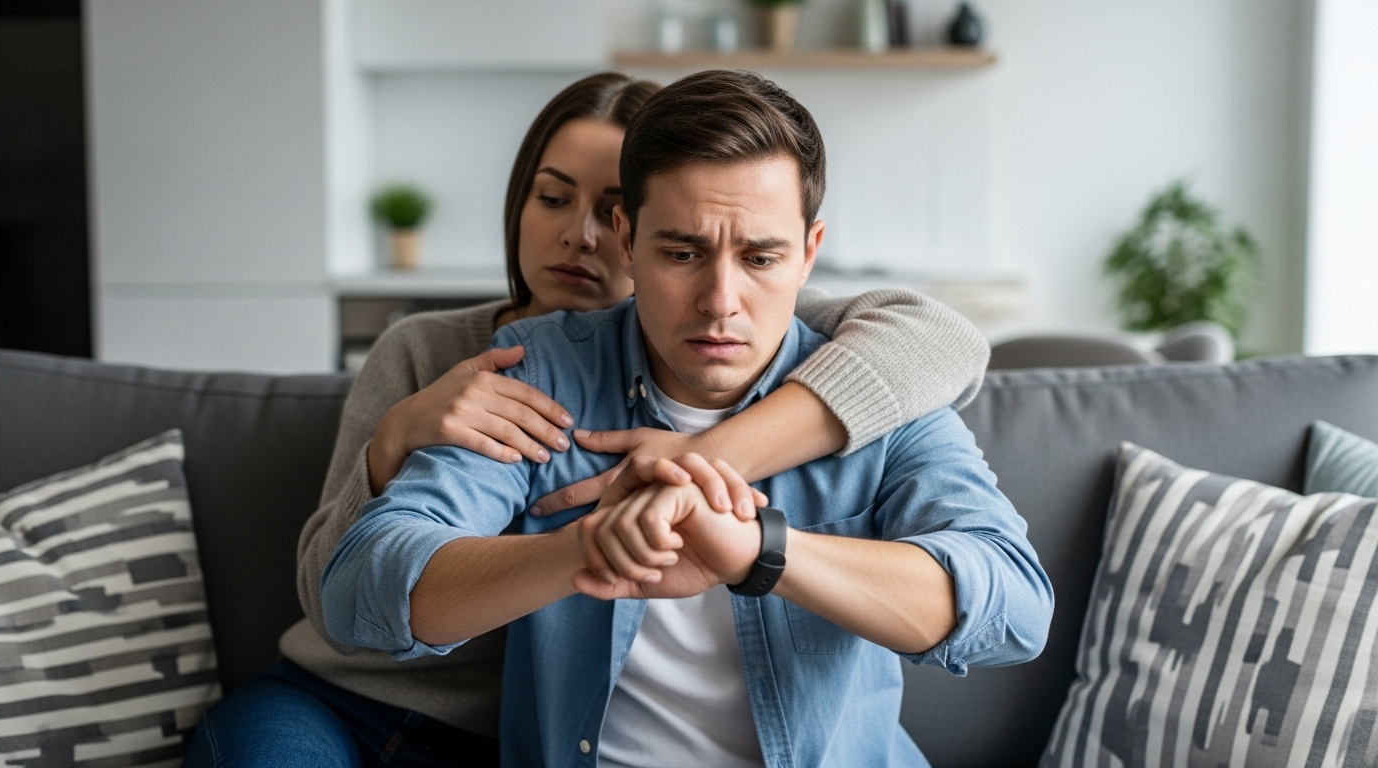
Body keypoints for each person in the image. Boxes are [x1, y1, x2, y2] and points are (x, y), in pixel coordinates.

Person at [186, 73, 990, 767]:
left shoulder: (797, 339)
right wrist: (396, 436)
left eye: (608, 206)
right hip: (355, 695)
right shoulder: (482, 359)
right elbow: (350, 592)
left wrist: (705, 470)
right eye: (553, 197)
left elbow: (936, 342)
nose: (582, 234)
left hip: (496, 732)